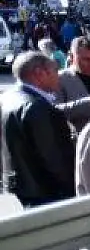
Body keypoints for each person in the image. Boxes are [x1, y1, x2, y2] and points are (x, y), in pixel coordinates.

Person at [0, 51, 75, 207]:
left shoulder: (7, 98)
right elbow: (54, 159)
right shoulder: (36, 107)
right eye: (55, 70)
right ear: (39, 73)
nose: (59, 75)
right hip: (47, 193)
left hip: (22, 187)